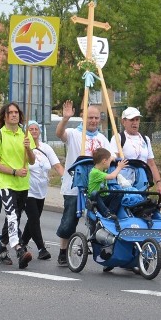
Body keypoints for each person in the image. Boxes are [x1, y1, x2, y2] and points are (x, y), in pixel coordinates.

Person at [55, 100, 114, 266]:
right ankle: (62, 252)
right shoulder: (74, 134)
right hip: (75, 187)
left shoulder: (102, 138)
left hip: (97, 188)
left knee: (101, 220)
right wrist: (65, 118)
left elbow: (111, 158)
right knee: (69, 221)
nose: (93, 121)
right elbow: (60, 134)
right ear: (83, 117)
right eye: (90, 117)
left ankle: (103, 253)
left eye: (96, 118)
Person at [0, 102, 36, 268]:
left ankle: (1, 248)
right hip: (6, 183)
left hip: (23, 184)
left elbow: (32, 160)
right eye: (11, 113)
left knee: (13, 218)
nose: (14, 115)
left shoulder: (25, 134)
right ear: (5, 116)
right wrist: (14, 171)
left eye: (16, 112)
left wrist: (28, 148)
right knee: (13, 216)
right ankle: (19, 249)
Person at [22, 120, 65, 260]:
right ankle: (41, 248)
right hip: (27, 189)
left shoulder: (46, 148)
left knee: (33, 220)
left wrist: (66, 178)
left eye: (36, 129)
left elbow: (57, 165)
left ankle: (22, 243)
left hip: (42, 190)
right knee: (34, 219)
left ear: (40, 131)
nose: (34, 131)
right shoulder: (22, 147)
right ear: (26, 131)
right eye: (31, 129)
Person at [118, 107, 161, 197]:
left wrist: (159, 184)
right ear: (124, 122)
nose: (135, 122)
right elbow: (113, 162)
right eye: (131, 120)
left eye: (137, 119)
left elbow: (151, 164)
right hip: (125, 184)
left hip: (142, 182)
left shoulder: (145, 139)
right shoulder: (118, 138)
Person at [88, 148, 128, 218]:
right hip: (96, 199)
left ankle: (111, 212)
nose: (110, 163)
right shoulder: (95, 172)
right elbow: (112, 176)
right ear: (104, 161)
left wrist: (111, 158)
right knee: (95, 193)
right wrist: (119, 167)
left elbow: (111, 158)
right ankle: (107, 213)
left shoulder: (102, 169)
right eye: (109, 161)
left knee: (119, 192)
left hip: (104, 196)